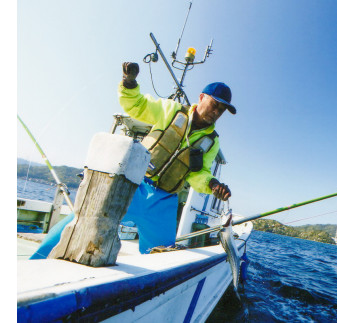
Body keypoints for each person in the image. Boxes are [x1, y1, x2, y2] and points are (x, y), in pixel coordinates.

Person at [30, 62, 234, 258]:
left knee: (161, 257)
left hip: (164, 201)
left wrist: (212, 184)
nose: (216, 112)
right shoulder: (172, 110)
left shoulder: (212, 141)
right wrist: (129, 84)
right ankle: (37, 259)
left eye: (222, 110)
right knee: (80, 220)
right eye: (214, 105)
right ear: (201, 97)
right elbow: (137, 106)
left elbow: (199, 173)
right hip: (133, 185)